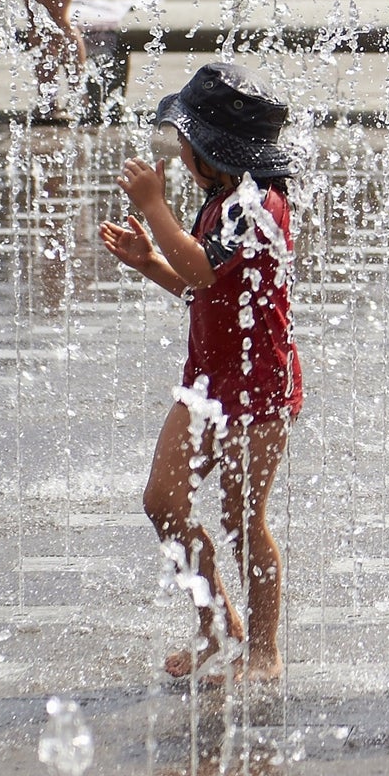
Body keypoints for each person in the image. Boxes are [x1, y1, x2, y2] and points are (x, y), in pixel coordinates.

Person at [97, 63, 304, 686]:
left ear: (213, 149)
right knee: (163, 502)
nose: (179, 150)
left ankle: (264, 650)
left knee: (244, 520)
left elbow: (205, 271)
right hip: (208, 379)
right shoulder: (221, 201)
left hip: (258, 384)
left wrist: (156, 210)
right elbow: (196, 281)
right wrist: (149, 262)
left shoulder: (258, 206)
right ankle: (216, 624)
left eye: (184, 140)